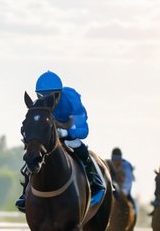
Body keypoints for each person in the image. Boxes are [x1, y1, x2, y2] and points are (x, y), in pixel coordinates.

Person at [16, 70, 104, 211]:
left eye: (51, 96)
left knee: (76, 145)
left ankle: (96, 184)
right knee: (33, 156)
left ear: (59, 94)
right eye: (41, 96)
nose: (46, 100)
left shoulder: (71, 99)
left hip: (69, 137)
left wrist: (66, 131)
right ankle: (26, 194)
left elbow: (83, 129)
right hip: (50, 139)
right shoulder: (40, 104)